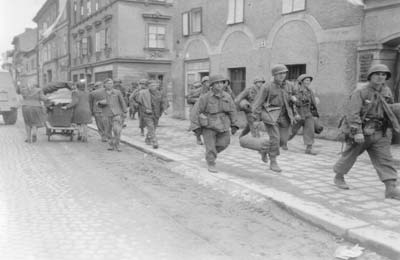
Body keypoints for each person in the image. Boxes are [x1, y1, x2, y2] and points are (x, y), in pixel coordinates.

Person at [333, 64, 400, 200]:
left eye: (383, 74)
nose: (381, 77)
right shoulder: (361, 92)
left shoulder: (386, 91)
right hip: (362, 132)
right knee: (349, 155)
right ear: (370, 76)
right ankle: (339, 176)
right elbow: (353, 113)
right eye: (377, 74)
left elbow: (388, 109)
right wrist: (357, 131)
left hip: (380, 132)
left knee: (385, 159)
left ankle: (391, 188)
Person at [252, 64, 297, 172]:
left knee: (283, 140)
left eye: (284, 73)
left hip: (285, 116)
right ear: (274, 75)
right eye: (279, 74)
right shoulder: (267, 86)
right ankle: (273, 161)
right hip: (271, 116)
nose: (282, 75)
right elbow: (257, 103)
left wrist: (294, 99)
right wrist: (256, 120)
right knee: (275, 139)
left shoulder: (289, 85)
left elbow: (295, 98)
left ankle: (264, 150)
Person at [190, 74, 239, 173]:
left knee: (224, 143)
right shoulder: (205, 97)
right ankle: (211, 162)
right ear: (212, 85)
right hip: (209, 125)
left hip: (223, 124)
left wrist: (234, 124)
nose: (220, 85)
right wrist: (196, 127)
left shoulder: (227, 96)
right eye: (217, 83)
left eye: (221, 83)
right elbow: (195, 111)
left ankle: (210, 155)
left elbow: (233, 111)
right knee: (210, 146)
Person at [289, 74, 319, 155]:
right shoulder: (295, 91)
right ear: (301, 81)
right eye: (306, 80)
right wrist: (295, 114)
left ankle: (309, 148)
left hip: (308, 113)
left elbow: (313, 104)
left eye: (309, 80)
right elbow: (293, 104)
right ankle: (282, 142)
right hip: (299, 113)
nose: (308, 82)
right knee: (292, 131)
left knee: (310, 130)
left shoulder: (310, 91)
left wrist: (315, 114)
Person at [137, 80, 169, 149]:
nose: (153, 87)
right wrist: (145, 109)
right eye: (151, 86)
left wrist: (165, 109)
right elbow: (139, 103)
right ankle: (154, 141)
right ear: (148, 86)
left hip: (157, 113)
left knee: (153, 127)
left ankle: (148, 139)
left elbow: (164, 101)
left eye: (155, 85)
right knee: (150, 126)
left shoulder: (160, 93)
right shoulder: (143, 93)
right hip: (147, 113)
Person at [102, 78, 128, 151]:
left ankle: (117, 145)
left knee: (117, 130)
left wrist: (125, 111)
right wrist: (100, 103)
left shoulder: (117, 92)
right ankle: (110, 144)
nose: (110, 85)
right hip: (106, 113)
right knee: (107, 130)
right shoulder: (101, 92)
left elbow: (122, 101)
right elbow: (97, 102)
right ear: (104, 85)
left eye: (111, 83)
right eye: (108, 83)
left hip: (117, 114)